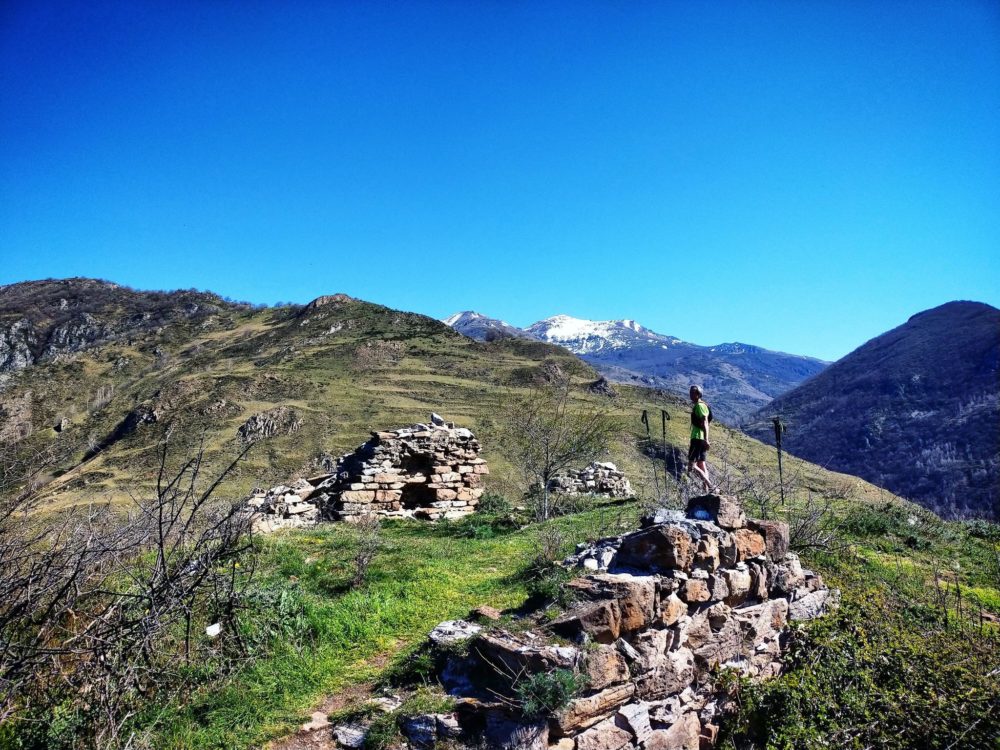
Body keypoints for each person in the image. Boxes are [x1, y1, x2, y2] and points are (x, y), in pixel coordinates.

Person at [687, 385, 715, 492]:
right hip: (700, 439)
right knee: (701, 464)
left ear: (698, 394)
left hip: (698, 438)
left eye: (693, 392)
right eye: (690, 392)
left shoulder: (699, 406)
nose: (690, 394)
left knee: (691, 466)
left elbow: (705, 422)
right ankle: (706, 490)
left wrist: (706, 439)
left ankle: (710, 486)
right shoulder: (701, 405)